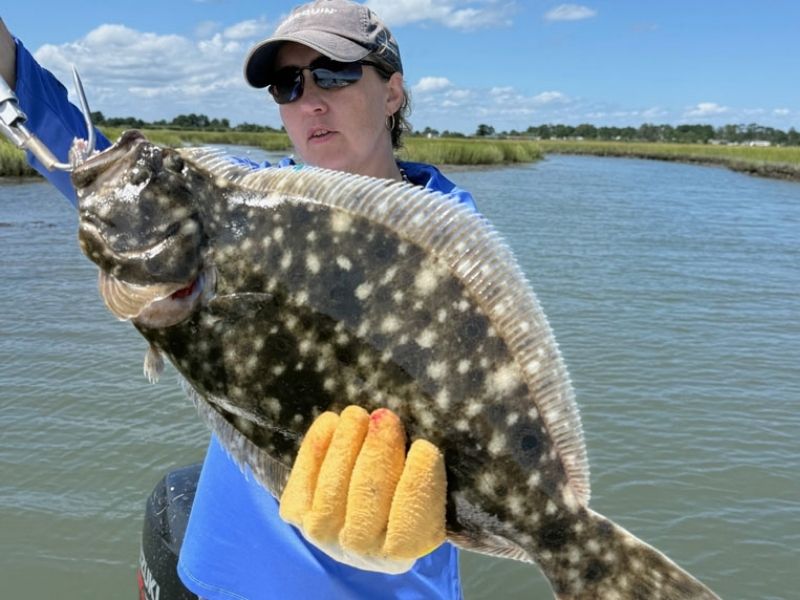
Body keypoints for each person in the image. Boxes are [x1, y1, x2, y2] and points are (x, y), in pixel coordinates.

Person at [1, 1, 477, 598]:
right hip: (220, 571)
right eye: (288, 84)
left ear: (392, 94)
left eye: (334, 72)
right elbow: (106, 178)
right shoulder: (248, 199)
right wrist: (10, 64)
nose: (311, 100)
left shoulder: (447, 237)